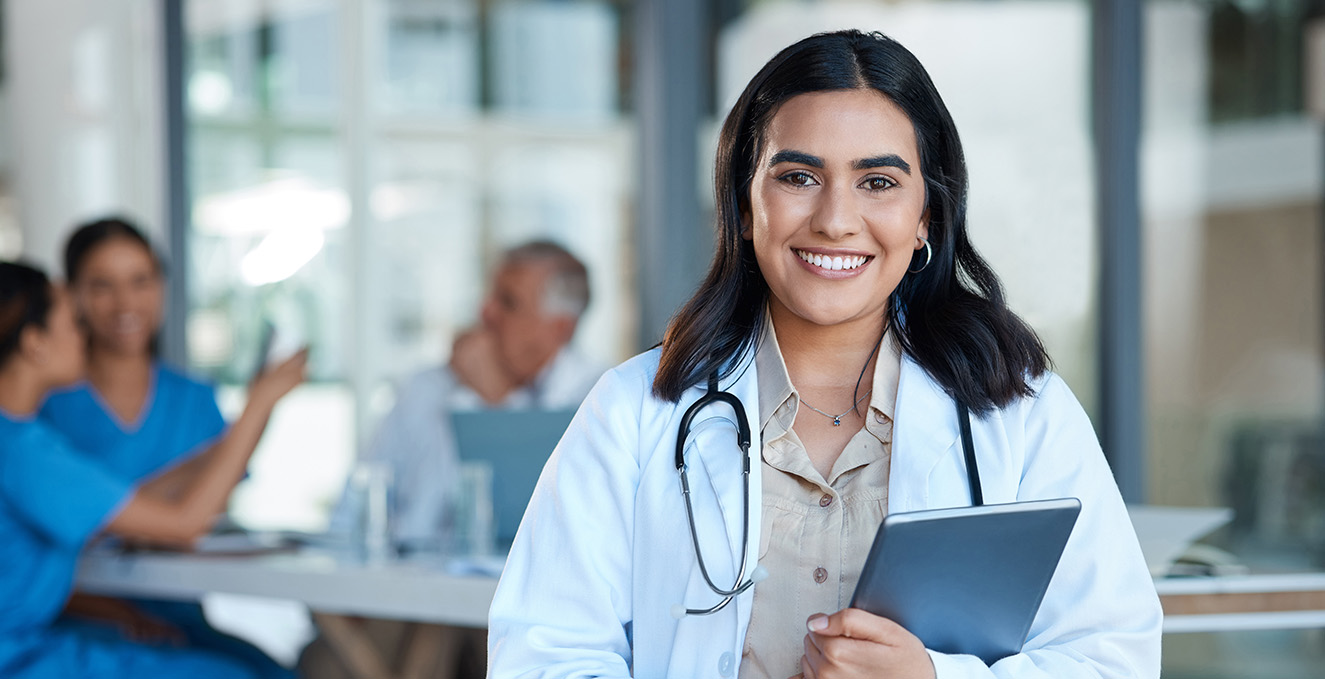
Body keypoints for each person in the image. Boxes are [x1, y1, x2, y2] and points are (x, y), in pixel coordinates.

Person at [487, 30, 1162, 679]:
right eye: (798, 176)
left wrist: (932, 676)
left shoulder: (1016, 406)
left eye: (878, 182)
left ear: (926, 214)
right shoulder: (635, 408)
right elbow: (542, 656)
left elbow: (1111, 657)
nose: (835, 219)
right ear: (744, 205)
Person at [0, 260, 307, 678]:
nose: (83, 335)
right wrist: (262, 401)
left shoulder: (24, 440)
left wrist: (231, 441)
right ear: (34, 343)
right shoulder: (25, 451)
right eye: (73, 322)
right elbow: (185, 523)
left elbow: (118, 503)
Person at [331, 239, 604, 548]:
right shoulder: (426, 387)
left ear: (559, 328)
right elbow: (350, 513)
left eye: (508, 302)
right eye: (490, 297)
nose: (485, 312)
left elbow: (555, 532)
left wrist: (497, 402)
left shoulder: (599, 401)